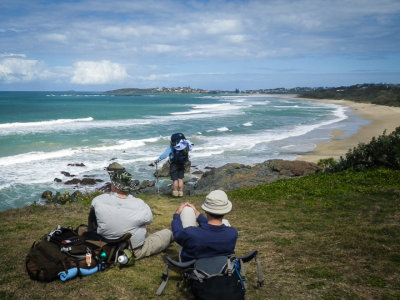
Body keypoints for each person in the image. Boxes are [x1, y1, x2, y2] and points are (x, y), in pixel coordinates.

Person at [88, 162, 173, 260]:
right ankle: (175, 232)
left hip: (106, 246)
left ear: (114, 185)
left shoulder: (98, 200)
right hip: (132, 250)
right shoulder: (140, 204)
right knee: (167, 234)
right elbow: (149, 220)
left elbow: (93, 219)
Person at [171, 190, 238, 262]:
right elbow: (212, 228)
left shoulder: (191, 233)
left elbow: (177, 234)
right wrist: (197, 214)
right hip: (220, 267)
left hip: (192, 267)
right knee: (225, 222)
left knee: (187, 210)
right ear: (225, 211)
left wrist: (177, 214)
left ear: (206, 210)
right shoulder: (233, 233)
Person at [154, 133, 194, 197]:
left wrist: (157, 160)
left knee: (175, 179)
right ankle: (180, 193)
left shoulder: (172, 146)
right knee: (180, 179)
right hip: (182, 164)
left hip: (174, 164)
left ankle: (175, 194)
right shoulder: (185, 144)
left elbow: (165, 154)